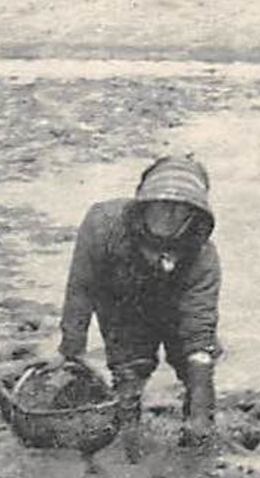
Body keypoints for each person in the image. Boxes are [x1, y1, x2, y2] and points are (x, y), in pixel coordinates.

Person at [45, 155, 222, 456]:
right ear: (143, 205)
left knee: (193, 367)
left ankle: (195, 429)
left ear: (194, 216)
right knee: (129, 369)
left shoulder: (202, 258)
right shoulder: (102, 226)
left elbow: (199, 329)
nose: (169, 216)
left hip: (174, 307)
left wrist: (201, 407)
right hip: (121, 302)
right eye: (161, 205)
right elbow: (81, 289)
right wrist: (71, 349)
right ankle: (127, 433)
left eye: (180, 210)